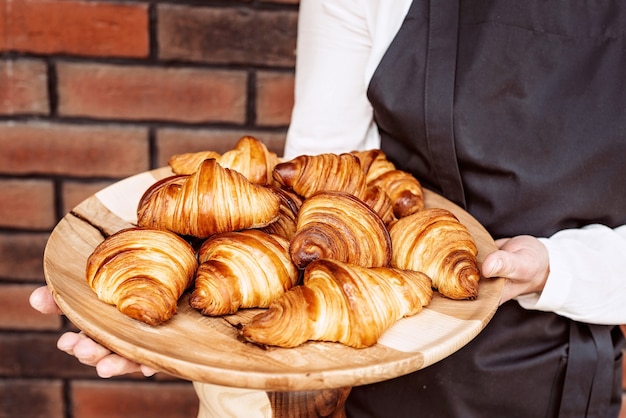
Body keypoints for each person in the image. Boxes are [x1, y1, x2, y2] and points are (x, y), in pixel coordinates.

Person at [31, 0, 626, 416]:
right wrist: (179, 331)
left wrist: (560, 268)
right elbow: (315, 185)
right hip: (356, 339)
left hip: (550, 362)